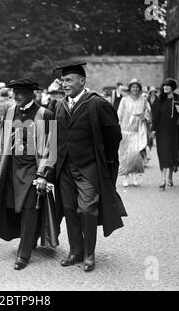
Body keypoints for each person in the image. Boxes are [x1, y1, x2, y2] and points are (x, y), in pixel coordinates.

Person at [53, 63, 126, 272]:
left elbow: (113, 135)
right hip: (65, 167)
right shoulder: (59, 105)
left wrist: (106, 160)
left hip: (88, 167)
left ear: (82, 81)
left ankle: (89, 253)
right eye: (63, 80)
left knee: (87, 209)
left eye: (69, 80)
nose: (64, 84)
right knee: (68, 209)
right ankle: (75, 251)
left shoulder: (96, 104)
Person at [0, 78, 59, 270]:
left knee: (30, 208)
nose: (15, 96)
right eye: (14, 92)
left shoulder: (46, 114)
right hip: (12, 168)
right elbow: (3, 140)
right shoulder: (10, 112)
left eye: (19, 92)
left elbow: (51, 146)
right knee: (15, 207)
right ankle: (30, 239)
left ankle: (23, 253)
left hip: (33, 168)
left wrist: (43, 174)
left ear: (31, 94)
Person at [152, 78, 179, 190]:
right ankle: (162, 179)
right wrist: (153, 130)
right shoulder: (160, 100)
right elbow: (155, 116)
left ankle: (170, 176)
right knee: (163, 154)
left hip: (175, 131)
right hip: (162, 131)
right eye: (164, 86)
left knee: (172, 153)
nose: (165, 87)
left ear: (173, 87)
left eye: (168, 86)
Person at [117, 79, 151, 187]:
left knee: (137, 155)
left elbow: (148, 113)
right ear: (130, 88)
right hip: (125, 131)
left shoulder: (143, 100)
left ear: (139, 89)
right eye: (133, 87)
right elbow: (119, 114)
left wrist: (144, 117)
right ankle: (125, 177)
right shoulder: (124, 100)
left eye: (137, 87)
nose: (135, 89)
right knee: (125, 156)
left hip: (138, 131)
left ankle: (136, 176)